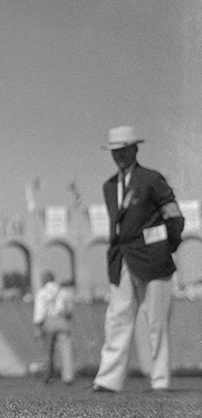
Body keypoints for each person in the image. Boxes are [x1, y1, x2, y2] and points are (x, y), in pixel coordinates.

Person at [91, 126, 184, 393]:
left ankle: (160, 380)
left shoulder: (152, 179)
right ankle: (108, 380)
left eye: (123, 150)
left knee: (156, 322)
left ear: (135, 149)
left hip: (154, 261)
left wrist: (167, 247)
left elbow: (174, 216)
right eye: (115, 151)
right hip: (121, 260)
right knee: (116, 318)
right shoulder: (108, 187)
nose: (119, 156)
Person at [32, 270, 74, 385]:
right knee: (66, 350)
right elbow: (69, 310)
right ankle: (68, 377)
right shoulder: (64, 291)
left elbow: (39, 311)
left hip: (49, 321)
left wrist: (37, 327)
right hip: (62, 320)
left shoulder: (42, 292)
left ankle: (48, 376)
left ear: (44, 280)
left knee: (48, 351)